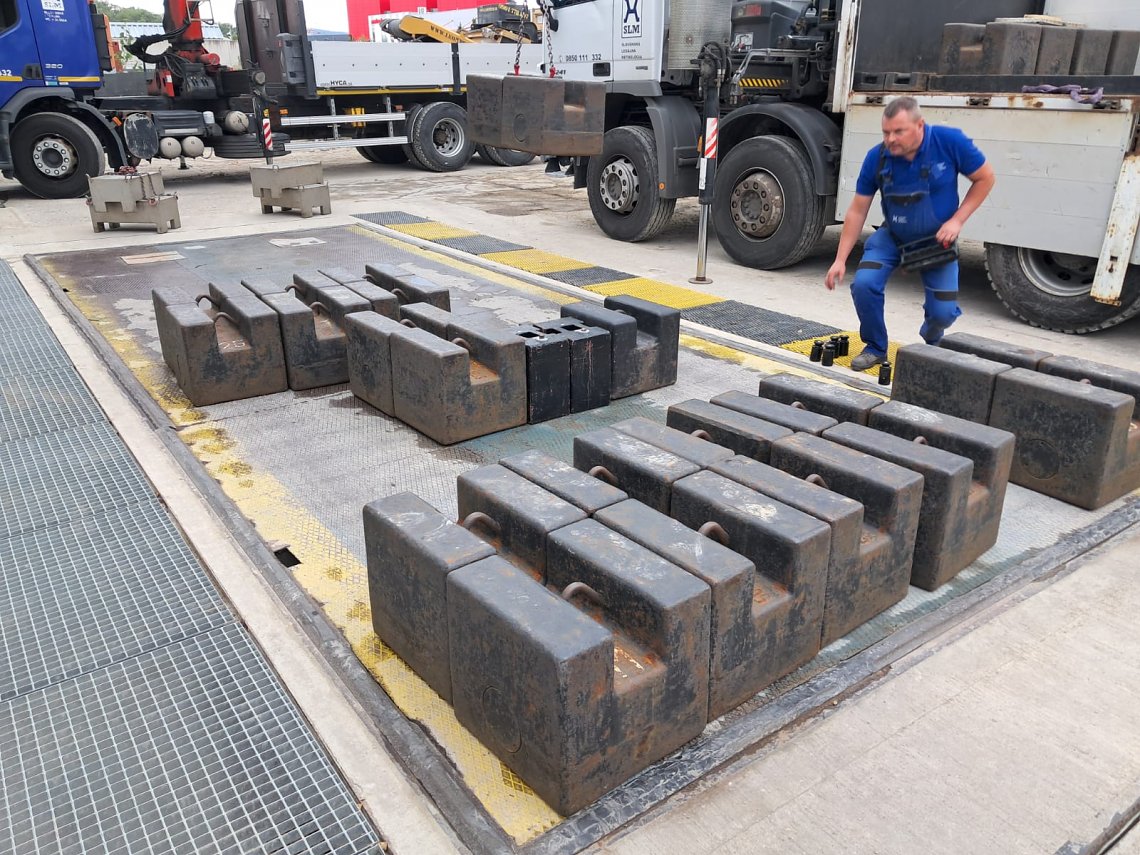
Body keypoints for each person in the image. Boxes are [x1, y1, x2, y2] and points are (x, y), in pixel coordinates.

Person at [825, 97, 996, 371]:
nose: (890, 139)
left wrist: (957, 221)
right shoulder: (877, 158)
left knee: (943, 313)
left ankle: (931, 340)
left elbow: (985, 178)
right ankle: (876, 347)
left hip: (936, 242)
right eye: (886, 132)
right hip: (893, 237)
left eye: (898, 131)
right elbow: (857, 211)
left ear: (920, 125)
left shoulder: (949, 142)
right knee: (865, 284)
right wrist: (840, 259)